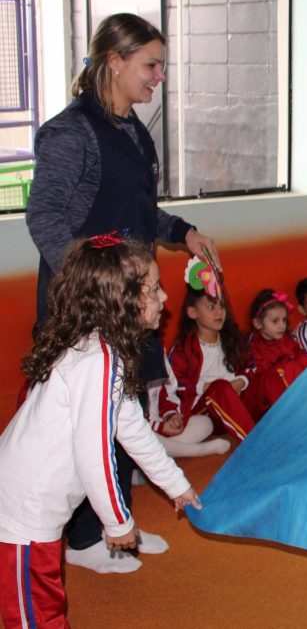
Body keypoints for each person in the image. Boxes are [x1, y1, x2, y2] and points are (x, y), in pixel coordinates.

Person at [24, 11, 220, 574]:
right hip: (87, 304)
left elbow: (140, 212)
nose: (160, 76)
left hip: (129, 304)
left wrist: (184, 232)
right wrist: (91, 282)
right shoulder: (71, 133)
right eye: (150, 65)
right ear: (114, 61)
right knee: (88, 420)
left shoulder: (133, 129)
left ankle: (117, 524)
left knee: (123, 410)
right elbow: (44, 217)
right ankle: (86, 538)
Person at [0, 236, 201, 627]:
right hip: (24, 512)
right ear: (121, 302)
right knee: (36, 614)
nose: (164, 297)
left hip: (27, 506)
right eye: (153, 289)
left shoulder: (103, 351)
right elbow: (94, 452)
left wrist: (175, 484)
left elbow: (132, 429)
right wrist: (118, 521)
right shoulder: (99, 361)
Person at [168, 286, 256, 442]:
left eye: (222, 306)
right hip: (206, 411)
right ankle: (254, 442)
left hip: (239, 401)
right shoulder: (183, 348)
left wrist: (241, 381)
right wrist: (202, 386)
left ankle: (292, 430)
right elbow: (172, 384)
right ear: (192, 312)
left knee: (271, 377)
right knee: (220, 387)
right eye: (211, 307)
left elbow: (251, 367)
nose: (219, 312)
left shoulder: (233, 340)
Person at [246, 289, 307, 419]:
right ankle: (295, 413)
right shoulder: (254, 346)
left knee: (304, 359)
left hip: (288, 393)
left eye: (284, 320)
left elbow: (301, 361)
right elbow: (262, 380)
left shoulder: (286, 340)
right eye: (275, 321)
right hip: (264, 403)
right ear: (258, 323)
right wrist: (285, 366)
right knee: (284, 369)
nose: (282, 326)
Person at [146, 356, 232, 458]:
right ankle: (198, 450)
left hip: (159, 428)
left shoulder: (156, 355)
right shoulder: (129, 367)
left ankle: (166, 449)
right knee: (142, 438)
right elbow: (132, 423)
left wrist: (171, 417)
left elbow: (165, 397)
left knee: (205, 423)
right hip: (143, 431)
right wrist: (160, 427)